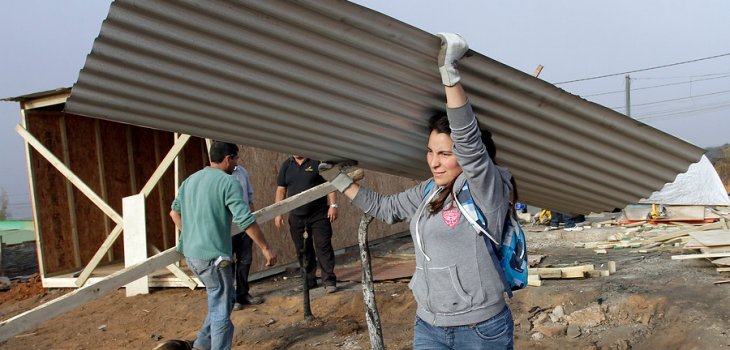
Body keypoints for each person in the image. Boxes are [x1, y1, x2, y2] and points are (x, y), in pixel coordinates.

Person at [330, 33, 515, 348]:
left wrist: (449, 75)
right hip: (429, 324)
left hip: (480, 329)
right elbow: (386, 208)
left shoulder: (487, 188)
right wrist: (338, 179)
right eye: (431, 152)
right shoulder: (430, 190)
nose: (434, 162)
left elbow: (469, 143)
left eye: (445, 154)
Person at [169, 141, 277, 350]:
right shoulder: (228, 183)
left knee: (223, 300)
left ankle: (201, 344)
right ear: (228, 159)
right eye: (236, 160)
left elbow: (174, 213)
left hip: (193, 256)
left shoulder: (189, 181)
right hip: (213, 258)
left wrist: (192, 235)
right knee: (221, 311)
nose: (236, 165)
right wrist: (265, 247)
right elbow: (245, 220)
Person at [274, 156, 339, 293]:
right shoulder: (286, 165)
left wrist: (333, 205)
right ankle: (308, 281)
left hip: (319, 214)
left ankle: (329, 281)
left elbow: (330, 183)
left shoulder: (316, 162)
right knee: (303, 249)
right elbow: (281, 189)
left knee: (323, 246)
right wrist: (278, 212)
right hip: (297, 215)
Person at [230, 164, 263, 310]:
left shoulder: (242, 171)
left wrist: (253, 219)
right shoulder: (218, 176)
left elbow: (249, 198)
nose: (237, 160)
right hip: (227, 227)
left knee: (245, 260)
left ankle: (243, 293)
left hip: (244, 224)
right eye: (235, 157)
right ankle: (231, 298)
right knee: (228, 263)